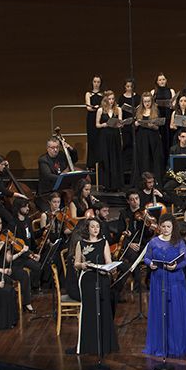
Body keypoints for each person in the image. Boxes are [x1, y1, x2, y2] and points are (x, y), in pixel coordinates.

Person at [142, 214, 186, 357]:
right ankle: (161, 344)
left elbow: (184, 260)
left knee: (175, 310)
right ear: (159, 227)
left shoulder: (178, 242)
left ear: (173, 227)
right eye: (163, 226)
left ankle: (176, 344)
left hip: (175, 280)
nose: (166, 229)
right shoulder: (153, 242)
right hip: (158, 279)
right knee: (161, 310)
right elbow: (146, 258)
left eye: (169, 227)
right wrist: (151, 264)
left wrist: (176, 266)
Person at [73, 218, 119, 355]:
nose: (95, 229)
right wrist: (83, 265)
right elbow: (76, 263)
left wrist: (111, 268)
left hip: (101, 275)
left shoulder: (104, 242)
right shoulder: (80, 243)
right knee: (91, 307)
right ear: (88, 229)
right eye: (93, 227)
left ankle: (105, 343)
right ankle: (89, 344)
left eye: (97, 227)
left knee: (104, 303)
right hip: (87, 276)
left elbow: (108, 261)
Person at [0, 214, 34, 313]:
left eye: (0, 223)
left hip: (6, 267)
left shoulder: (5, 237)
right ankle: (8, 308)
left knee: (24, 274)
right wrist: (3, 270)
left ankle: (27, 303)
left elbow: (9, 259)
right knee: (7, 282)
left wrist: (21, 252)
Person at [134, 91, 165, 187]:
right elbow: (134, 126)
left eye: (149, 101)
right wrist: (136, 123)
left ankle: (155, 181)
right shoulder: (139, 110)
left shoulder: (155, 110)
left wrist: (152, 125)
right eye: (145, 101)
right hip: (142, 138)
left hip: (153, 137)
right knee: (144, 158)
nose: (147, 103)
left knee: (154, 159)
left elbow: (158, 127)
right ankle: (143, 182)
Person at [94, 90, 124, 190]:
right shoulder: (100, 110)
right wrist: (104, 124)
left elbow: (120, 122)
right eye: (109, 99)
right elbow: (97, 125)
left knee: (116, 158)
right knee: (106, 159)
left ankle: (117, 184)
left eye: (112, 99)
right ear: (105, 99)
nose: (111, 101)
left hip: (115, 135)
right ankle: (107, 185)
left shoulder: (118, 109)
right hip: (105, 135)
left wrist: (120, 124)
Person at [151, 73, 176, 161]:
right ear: (157, 82)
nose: (162, 81)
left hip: (168, 117)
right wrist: (156, 105)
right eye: (160, 80)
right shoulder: (153, 92)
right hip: (159, 117)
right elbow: (151, 106)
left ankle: (169, 162)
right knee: (159, 140)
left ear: (166, 80)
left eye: (163, 79)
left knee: (168, 139)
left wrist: (171, 105)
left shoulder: (171, 91)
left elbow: (174, 106)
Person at [119, 78, 138, 172]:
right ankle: (126, 167)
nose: (129, 88)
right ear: (125, 87)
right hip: (126, 125)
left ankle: (135, 166)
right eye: (127, 86)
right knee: (127, 145)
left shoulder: (137, 97)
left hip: (135, 125)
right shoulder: (121, 98)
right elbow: (120, 111)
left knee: (135, 145)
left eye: (131, 86)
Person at [84, 75, 103, 169]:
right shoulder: (88, 94)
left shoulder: (103, 94)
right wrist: (95, 108)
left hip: (100, 118)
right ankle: (91, 164)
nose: (96, 84)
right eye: (95, 82)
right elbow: (88, 107)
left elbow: (105, 106)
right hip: (91, 118)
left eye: (98, 82)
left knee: (100, 140)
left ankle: (100, 162)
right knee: (92, 140)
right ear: (92, 82)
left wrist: (98, 108)